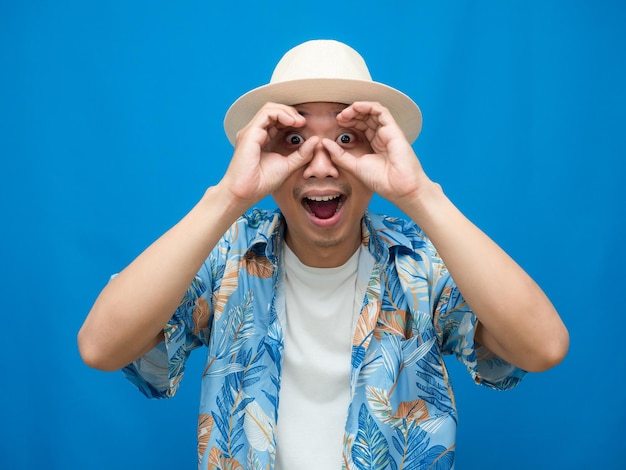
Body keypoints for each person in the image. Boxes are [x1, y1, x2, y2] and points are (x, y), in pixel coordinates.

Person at [78, 40, 569, 469]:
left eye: (345, 139)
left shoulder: (421, 263)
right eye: (295, 140)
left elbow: (542, 347)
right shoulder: (226, 257)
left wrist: (420, 194)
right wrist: (229, 196)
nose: (319, 166)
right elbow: (101, 347)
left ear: (376, 151)